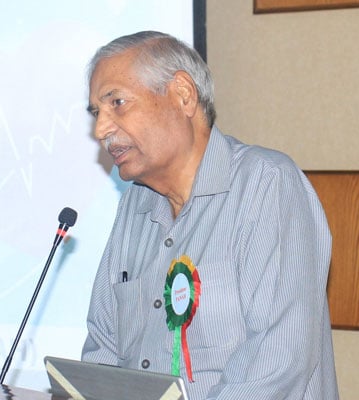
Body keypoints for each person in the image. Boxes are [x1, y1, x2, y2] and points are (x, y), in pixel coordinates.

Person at [81, 31, 338, 400]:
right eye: (97, 113)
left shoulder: (266, 184)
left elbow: (277, 361)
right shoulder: (133, 207)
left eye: (117, 103)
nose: (101, 129)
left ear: (183, 95)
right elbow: (103, 348)